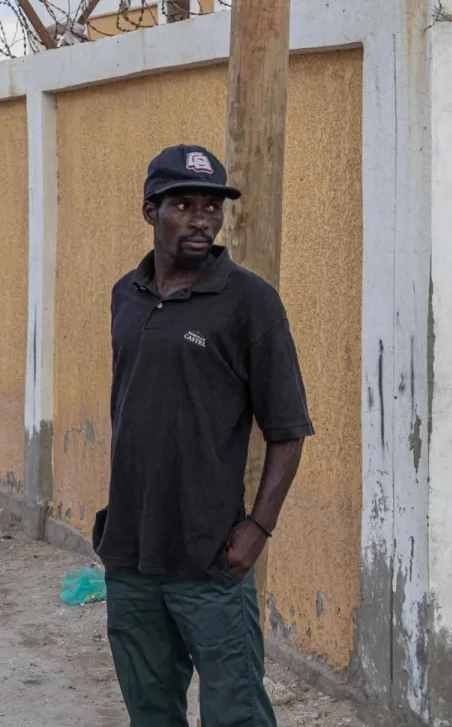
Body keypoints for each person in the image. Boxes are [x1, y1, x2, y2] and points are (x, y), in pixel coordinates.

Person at [96, 145, 313, 727]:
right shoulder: (127, 294)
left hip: (211, 555)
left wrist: (257, 529)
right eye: (184, 205)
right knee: (150, 707)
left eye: (212, 207)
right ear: (150, 212)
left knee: (235, 710)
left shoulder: (250, 302)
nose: (201, 220)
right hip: (131, 551)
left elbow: (288, 429)